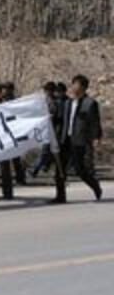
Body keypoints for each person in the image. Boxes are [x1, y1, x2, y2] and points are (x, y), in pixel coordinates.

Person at [51, 74, 103, 203]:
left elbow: (95, 122)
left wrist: (96, 137)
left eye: (76, 85)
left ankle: (95, 186)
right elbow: (60, 119)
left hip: (79, 140)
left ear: (83, 87)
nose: (73, 87)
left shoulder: (90, 104)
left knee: (80, 170)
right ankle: (60, 196)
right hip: (65, 139)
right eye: (73, 84)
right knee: (60, 169)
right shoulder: (68, 102)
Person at [29, 81, 57, 178]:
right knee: (46, 150)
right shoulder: (45, 100)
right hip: (45, 129)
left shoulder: (50, 101)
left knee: (49, 151)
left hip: (49, 129)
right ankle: (35, 169)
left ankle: (40, 167)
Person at [1, 81, 27, 185]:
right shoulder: (2, 101)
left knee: (15, 156)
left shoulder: (14, 101)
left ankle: (20, 178)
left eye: (6, 89)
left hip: (13, 131)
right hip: (4, 131)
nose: (4, 91)